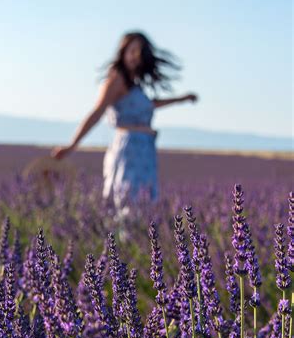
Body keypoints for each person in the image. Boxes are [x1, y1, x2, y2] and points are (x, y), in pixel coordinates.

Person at [50, 31, 199, 216]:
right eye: (133, 50)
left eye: (140, 52)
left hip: (145, 153)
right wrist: (73, 145)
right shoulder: (116, 79)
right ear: (123, 51)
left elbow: (149, 104)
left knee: (144, 208)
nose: (136, 57)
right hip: (128, 152)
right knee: (127, 204)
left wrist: (181, 99)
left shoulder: (134, 84)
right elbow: (98, 111)